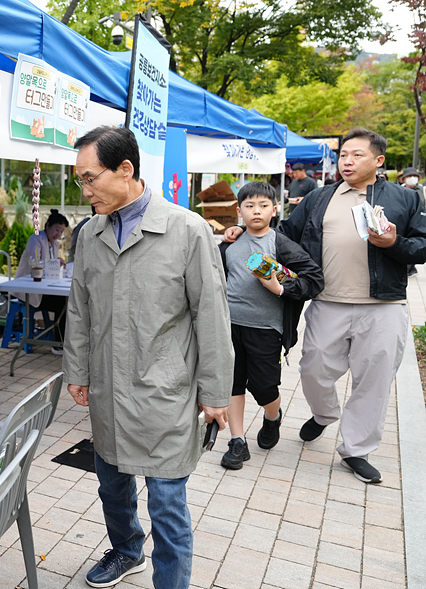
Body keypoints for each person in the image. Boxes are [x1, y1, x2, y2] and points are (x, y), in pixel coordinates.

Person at [63, 126, 232, 589]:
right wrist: (76, 371)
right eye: (80, 179)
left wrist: (215, 392)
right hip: (106, 388)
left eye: (89, 178)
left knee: (168, 505)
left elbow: (212, 317)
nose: (85, 189)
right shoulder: (91, 235)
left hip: (165, 391)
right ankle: (126, 550)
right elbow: (79, 309)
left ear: (125, 170)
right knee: (111, 485)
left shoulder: (187, 230)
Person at [225, 128, 426, 483]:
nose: (347, 161)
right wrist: (245, 232)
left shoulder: (404, 199)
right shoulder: (321, 197)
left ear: (378, 161)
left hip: (383, 305)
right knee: (313, 369)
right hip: (327, 302)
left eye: (356, 155)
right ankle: (323, 413)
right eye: (343, 154)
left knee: (373, 381)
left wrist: (394, 243)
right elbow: (284, 232)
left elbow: (422, 247)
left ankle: (355, 450)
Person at [217, 182, 323, 471]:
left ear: (275, 210)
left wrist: (279, 288)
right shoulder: (229, 244)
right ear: (239, 211)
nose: (256, 211)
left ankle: (272, 417)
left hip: (266, 328)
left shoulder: (281, 244)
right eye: (249, 206)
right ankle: (237, 441)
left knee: (264, 386)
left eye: (263, 205)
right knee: (234, 383)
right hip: (229, 326)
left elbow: (314, 281)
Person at [12, 209, 70, 352]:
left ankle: (61, 341)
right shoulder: (36, 238)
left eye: (61, 231)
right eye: (57, 229)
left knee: (66, 300)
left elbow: (51, 267)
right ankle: (58, 344)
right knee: (63, 303)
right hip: (28, 287)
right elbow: (35, 262)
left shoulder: (55, 244)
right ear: (48, 225)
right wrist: (54, 263)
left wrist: (56, 264)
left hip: (44, 285)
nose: (58, 234)